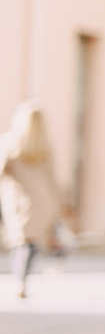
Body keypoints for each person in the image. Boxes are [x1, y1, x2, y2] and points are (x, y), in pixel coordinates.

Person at [1, 101, 64, 299]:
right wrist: (57, 203)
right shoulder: (44, 147)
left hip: (18, 201)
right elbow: (52, 178)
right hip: (42, 201)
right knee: (31, 243)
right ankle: (23, 279)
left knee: (21, 242)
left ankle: (20, 280)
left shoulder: (10, 143)